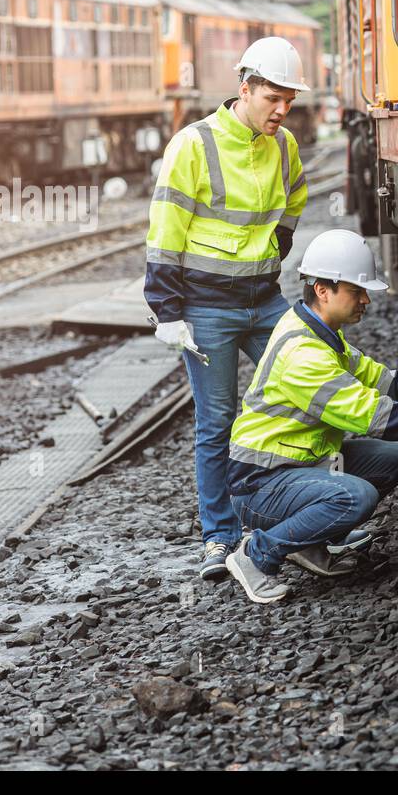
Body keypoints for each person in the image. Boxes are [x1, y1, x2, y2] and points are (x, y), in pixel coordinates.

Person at [223, 229, 398, 604]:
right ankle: (256, 556)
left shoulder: (319, 332)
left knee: (393, 459)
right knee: (354, 497)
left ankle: (308, 540)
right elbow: (375, 416)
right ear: (322, 290)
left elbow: (379, 378)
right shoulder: (305, 356)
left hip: (297, 466)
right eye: (356, 290)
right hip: (260, 484)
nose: (366, 300)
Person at [144, 36, 311, 581]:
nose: (282, 110)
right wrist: (166, 311)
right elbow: (166, 227)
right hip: (207, 310)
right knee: (217, 423)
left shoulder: (283, 147)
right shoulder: (193, 145)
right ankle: (219, 537)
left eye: (290, 100)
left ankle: (303, 516)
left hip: (264, 301)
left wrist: (273, 250)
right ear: (245, 89)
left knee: (306, 395)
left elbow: (295, 199)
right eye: (273, 98)